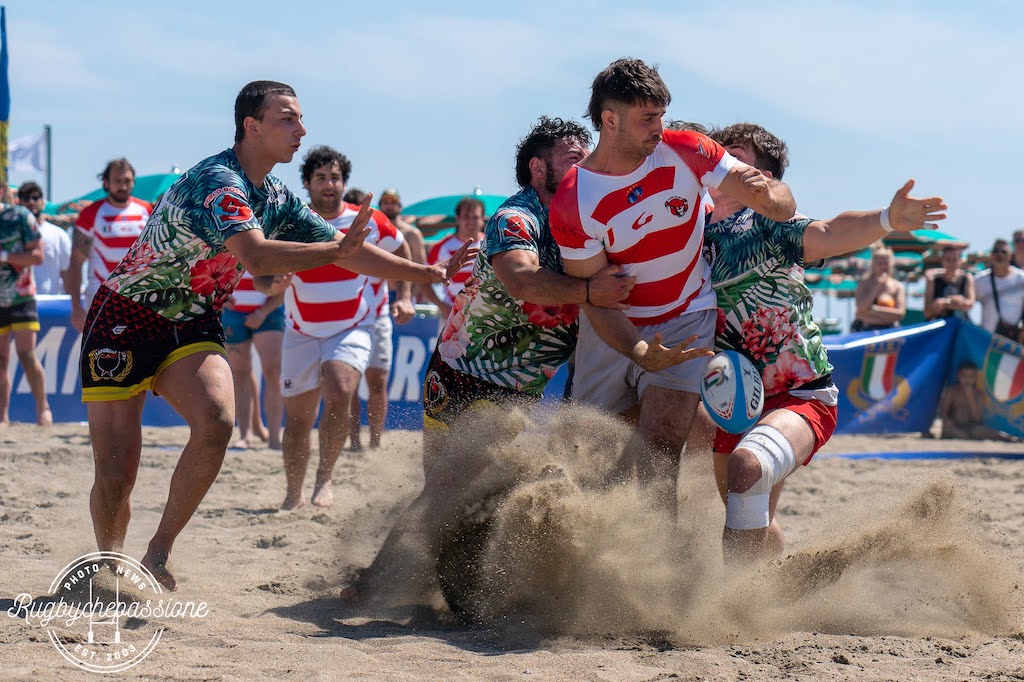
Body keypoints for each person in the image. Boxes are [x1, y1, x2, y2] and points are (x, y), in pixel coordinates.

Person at [80, 80, 475, 590]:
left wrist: (429, 275)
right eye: (288, 119)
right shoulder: (219, 182)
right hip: (127, 317)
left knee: (218, 419)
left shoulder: (277, 194)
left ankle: (158, 551)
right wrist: (336, 252)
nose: (301, 130)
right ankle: (106, 567)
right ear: (253, 126)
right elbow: (258, 256)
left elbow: (346, 247)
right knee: (117, 475)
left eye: (300, 118)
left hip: (193, 321)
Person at [348, 114, 634, 607]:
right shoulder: (515, 218)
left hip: (513, 386)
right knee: (444, 493)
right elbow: (522, 280)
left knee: (458, 493)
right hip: (464, 377)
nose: (585, 168)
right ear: (537, 169)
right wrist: (590, 289)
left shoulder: (588, 222)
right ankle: (378, 586)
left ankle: (434, 585)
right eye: (573, 160)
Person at [548, 58, 795, 514]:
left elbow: (775, 198)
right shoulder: (573, 200)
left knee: (661, 449)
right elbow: (597, 300)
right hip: (613, 331)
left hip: (685, 315)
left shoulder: (686, 149)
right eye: (648, 119)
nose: (659, 127)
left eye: (662, 115)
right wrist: (640, 351)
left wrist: (772, 197)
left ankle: (657, 569)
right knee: (594, 457)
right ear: (610, 120)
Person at [703, 122, 946, 562]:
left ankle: (731, 614)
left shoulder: (765, 222)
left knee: (747, 469)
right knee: (752, 511)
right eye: (720, 154)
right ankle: (774, 596)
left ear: (764, 179)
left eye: (736, 156)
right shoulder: (692, 231)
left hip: (800, 394)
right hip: (735, 398)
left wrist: (888, 219)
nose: (723, 162)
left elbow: (830, 233)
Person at [275, 145, 415, 509]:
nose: (329, 184)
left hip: (351, 325)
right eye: (320, 177)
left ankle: (325, 479)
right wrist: (272, 284)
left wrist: (404, 295)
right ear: (306, 183)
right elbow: (260, 275)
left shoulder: (366, 220)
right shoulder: (290, 222)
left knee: (339, 389)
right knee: (298, 421)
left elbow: (402, 251)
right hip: (301, 329)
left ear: (343, 182)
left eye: (335, 177)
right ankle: (293, 493)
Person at [67, 158, 153, 330]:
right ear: (106, 183)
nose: (123, 186)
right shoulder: (90, 214)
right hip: (101, 299)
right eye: (117, 181)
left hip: (139, 298)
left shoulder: (147, 211)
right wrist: (76, 307)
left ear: (133, 182)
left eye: (127, 181)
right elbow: (76, 262)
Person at [222, 269, 286, 449]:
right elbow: (212, 266)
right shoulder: (227, 241)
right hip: (233, 311)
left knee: (273, 371)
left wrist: (263, 312)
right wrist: (219, 295)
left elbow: (288, 280)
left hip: (269, 310)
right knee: (240, 372)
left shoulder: (275, 240)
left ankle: (274, 438)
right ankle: (245, 435)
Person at [0, 201, 51, 426]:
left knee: (26, 355)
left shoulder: (19, 215)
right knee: (1, 360)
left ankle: (43, 411)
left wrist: (3, 256)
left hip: (22, 296)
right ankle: (2, 416)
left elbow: (38, 256)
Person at [424, 196, 485, 323]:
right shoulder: (441, 247)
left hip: (485, 317)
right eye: (466, 217)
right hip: (452, 316)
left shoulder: (492, 245)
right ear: (458, 219)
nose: (471, 222)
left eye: (475, 217)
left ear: (482, 220)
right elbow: (423, 278)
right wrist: (441, 306)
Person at [17, 182, 71, 296]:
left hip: (49, 305)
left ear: (43, 202)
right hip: (18, 305)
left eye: (35, 198)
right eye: (26, 198)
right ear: (19, 202)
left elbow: (67, 273)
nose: (31, 202)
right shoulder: (11, 236)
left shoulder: (58, 235)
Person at [937, 361, 1010, 440]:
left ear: (976, 377)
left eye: (971, 376)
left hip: (973, 427)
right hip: (956, 426)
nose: (967, 379)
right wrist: (947, 420)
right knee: (949, 428)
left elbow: (977, 419)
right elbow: (943, 411)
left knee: (986, 431)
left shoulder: (979, 394)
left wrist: (970, 397)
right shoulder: (952, 391)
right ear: (958, 376)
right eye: (964, 376)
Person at [974, 238, 1024, 342]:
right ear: (991, 255)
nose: (999, 255)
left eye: (1004, 252)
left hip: (1014, 341)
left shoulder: (1021, 279)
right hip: (987, 340)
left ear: (1010, 256)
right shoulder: (980, 280)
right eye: (996, 251)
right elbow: (968, 303)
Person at [851, 246, 905, 331]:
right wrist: (877, 287)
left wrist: (874, 310)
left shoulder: (897, 286)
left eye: (886, 263)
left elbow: (900, 314)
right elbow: (861, 309)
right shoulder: (864, 284)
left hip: (888, 330)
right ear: (873, 265)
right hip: (865, 329)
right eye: (880, 264)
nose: (883, 266)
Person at [923, 244, 975, 320]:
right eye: (948, 259)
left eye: (955, 259)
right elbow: (927, 311)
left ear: (960, 261)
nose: (951, 263)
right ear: (942, 261)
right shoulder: (934, 279)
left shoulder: (966, 278)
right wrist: (954, 302)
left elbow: (969, 304)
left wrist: (945, 302)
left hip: (960, 324)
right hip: (940, 324)